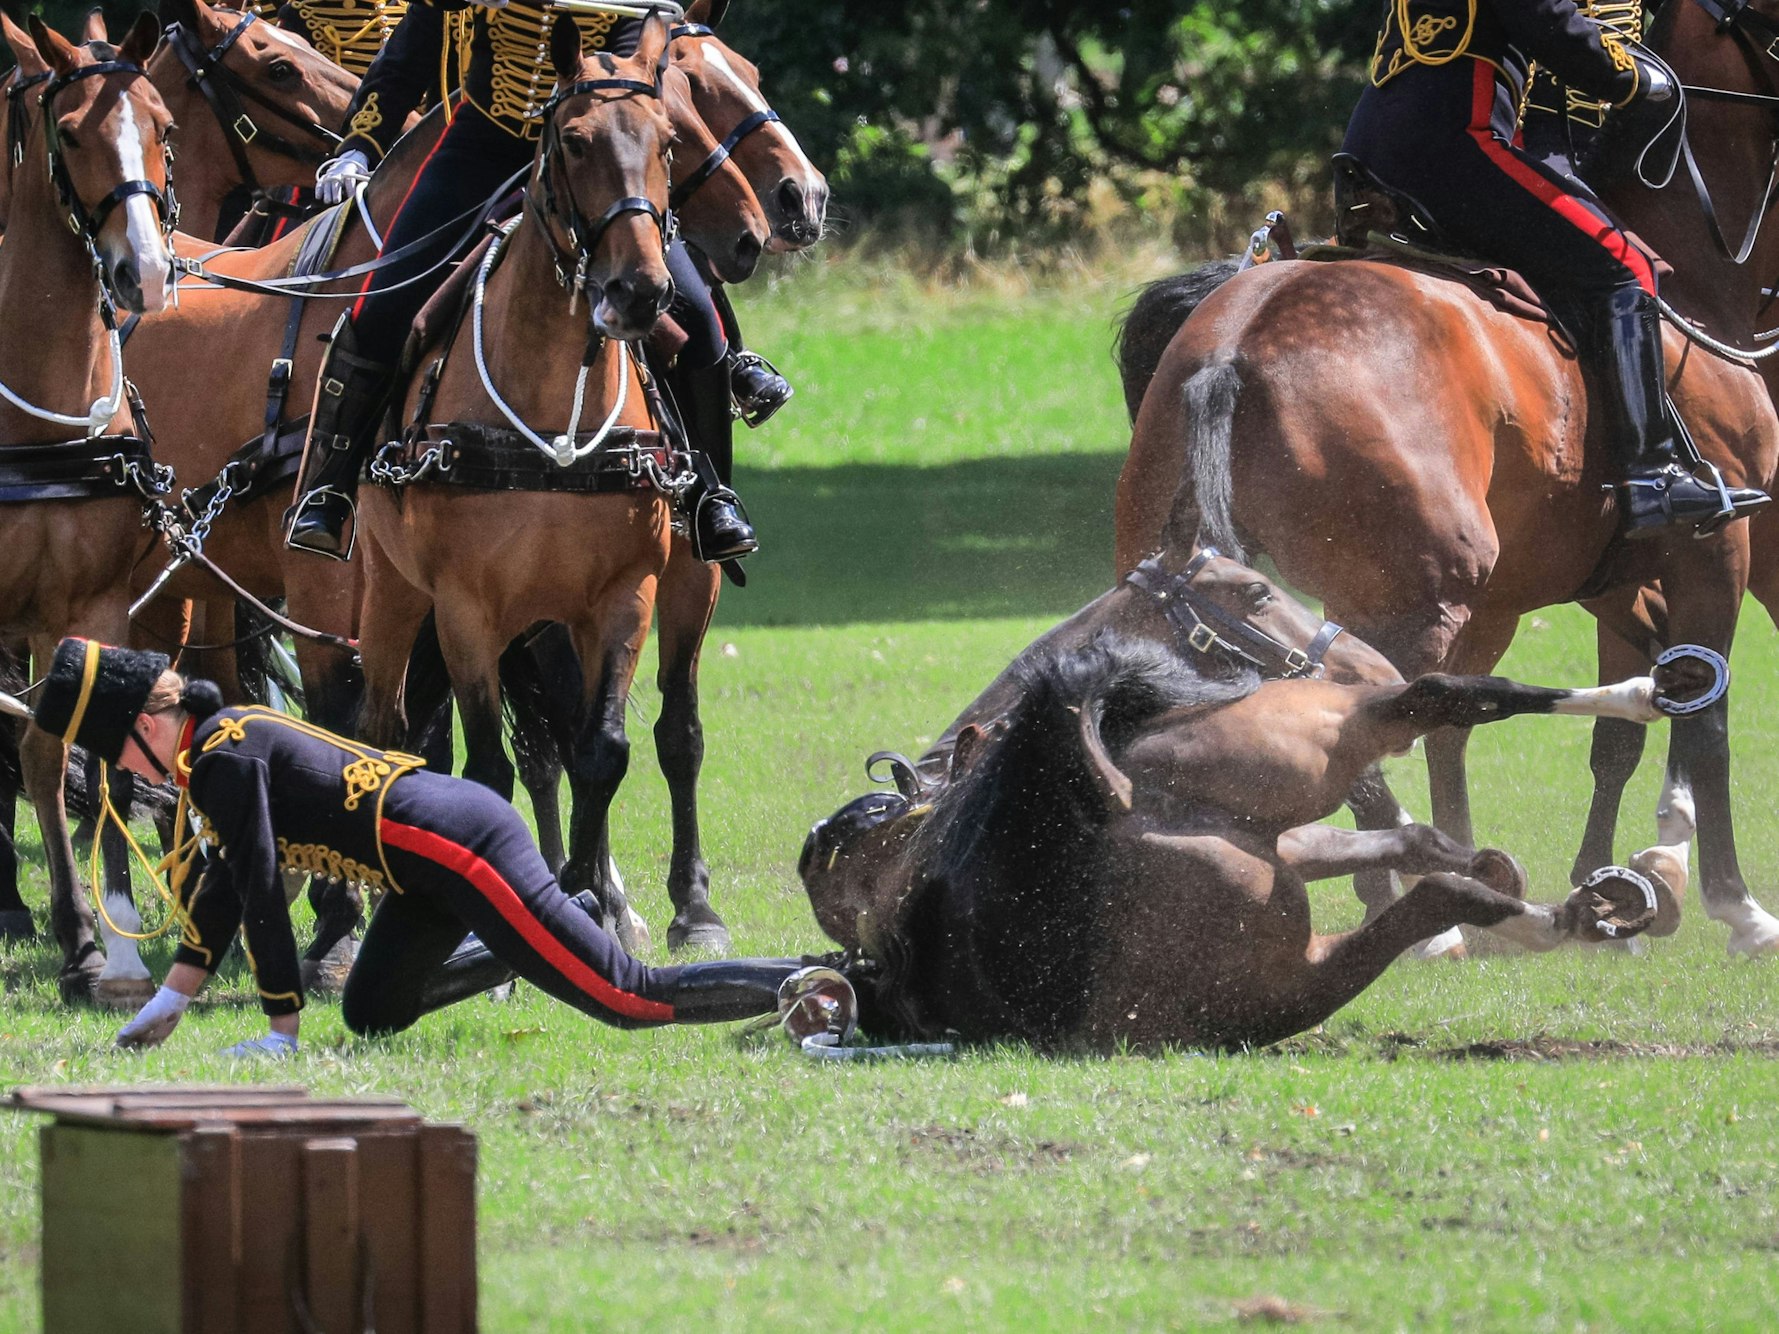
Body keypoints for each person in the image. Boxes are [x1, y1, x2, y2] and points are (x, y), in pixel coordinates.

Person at [27, 638, 853, 1057]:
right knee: (373, 1012)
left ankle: (830, 980)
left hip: (457, 845)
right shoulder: (216, 746)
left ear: (141, 726)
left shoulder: (220, 759)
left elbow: (253, 889)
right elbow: (220, 883)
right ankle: (550, 928)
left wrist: (280, 1029)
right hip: (417, 872)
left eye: (114, 755)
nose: (124, 774)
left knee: (625, 998)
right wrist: (169, 1005)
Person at [285, 0, 756, 563]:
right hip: (482, 147)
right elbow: (405, 60)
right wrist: (361, 145)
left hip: (596, 154)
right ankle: (329, 490)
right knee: (379, 306)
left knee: (697, 318)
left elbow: (631, 62)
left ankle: (709, 495)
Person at [1342, 0, 1770, 537]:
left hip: (1371, 144)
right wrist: (1634, 79)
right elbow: (1546, 18)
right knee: (1626, 264)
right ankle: (1652, 479)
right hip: (1456, 139)